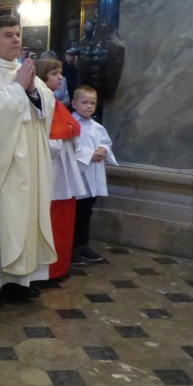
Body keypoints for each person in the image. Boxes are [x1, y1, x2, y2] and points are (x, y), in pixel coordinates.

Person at [0, 16, 56, 308]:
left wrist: (31, 89)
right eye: (8, 35)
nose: (16, 40)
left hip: (29, 158)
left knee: (26, 218)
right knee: (1, 220)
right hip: (0, 161)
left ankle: (21, 280)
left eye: (18, 34)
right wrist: (19, 88)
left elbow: (47, 103)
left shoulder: (23, 69)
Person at [35, 58, 85, 277]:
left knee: (63, 222)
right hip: (51, 171)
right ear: (42, 75)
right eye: (55, 73)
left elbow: (72, 131)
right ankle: (48, 271)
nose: (61, 77)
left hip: (64, 170)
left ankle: (60, 267)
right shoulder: (40, 101)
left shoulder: (55, 102)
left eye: (61, 72)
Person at [71, 85, 117, 263]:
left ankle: (83, 245)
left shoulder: (97, 127)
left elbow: (106, 142)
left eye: (92, 103)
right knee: (76, 213)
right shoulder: (71, 123)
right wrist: (90, 154)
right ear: (74, 104)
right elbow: (69, 148)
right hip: (79, 175)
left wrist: (103, 150)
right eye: (84, 102)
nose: (89, 106)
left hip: (94, 174)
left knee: (87, 212)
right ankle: (72, 247)